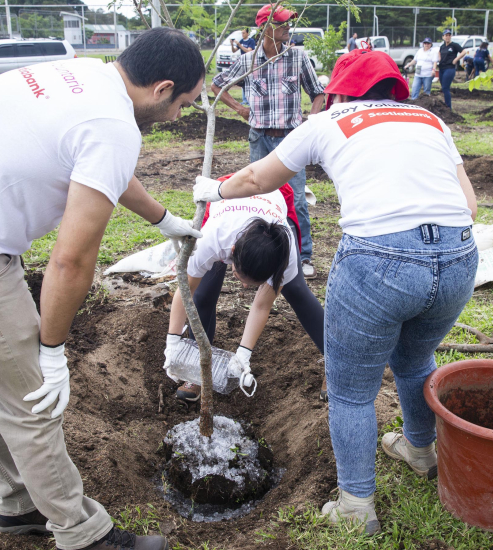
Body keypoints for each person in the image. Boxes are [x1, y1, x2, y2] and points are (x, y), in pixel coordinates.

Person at [0, 27, 205, 550]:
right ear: (162, 87)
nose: (178, 117)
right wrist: (51, 352)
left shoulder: (79, 75)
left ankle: (17, 504)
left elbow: (104, 171)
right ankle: (83, 535)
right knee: (31, 398)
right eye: (183, 104)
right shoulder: (113, 124)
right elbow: (71, 259)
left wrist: (163, 219)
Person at [194, 49, 478, 535]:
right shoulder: (429, 119)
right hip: (458, 258)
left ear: (339, 92)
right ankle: (420, 449)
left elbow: (257, 176)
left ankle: (356, 507)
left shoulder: (329, 120)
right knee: (415, 360)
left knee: (350, 391)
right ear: (395, 91)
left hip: (377, 261)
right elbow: (469, 204)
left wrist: (212, 191)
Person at [164, 177, 326, 404]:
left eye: (254, 284)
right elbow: (186, 289)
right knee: (203, 294)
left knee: (296, 289)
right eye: (241, 277)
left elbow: (262, 305)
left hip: (273, 194)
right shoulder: (211, 239)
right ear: (230, 253)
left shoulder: (283, 250)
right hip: (228, 194)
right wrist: (172, 343)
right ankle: (198, 372)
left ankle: (336, 366)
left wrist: (244, 355)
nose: (245, 287)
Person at [211, 4, 326, 279]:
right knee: (260, 197)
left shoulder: (297, 57)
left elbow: (318, 93)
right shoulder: (248, 61)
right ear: (266, 28)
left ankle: (303, 255)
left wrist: (311, 120)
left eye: (288, 23)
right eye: (283, 23)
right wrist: (239, 109)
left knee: (296, 200)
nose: (288, 28)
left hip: (290, 139)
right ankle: (268, 253)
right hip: (260, 139)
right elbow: (217, 84)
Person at [436, 29, 464, 109]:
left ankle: (448, 107)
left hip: (449, 68)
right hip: (442, 68)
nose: (448, 37)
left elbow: (463, 52)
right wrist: (439, 59)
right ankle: (446, 104)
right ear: (443, 37)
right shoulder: (442, 46)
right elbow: (439, 53)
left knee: (445, 87)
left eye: (449, 35)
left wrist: (456, 59)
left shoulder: (454, 45)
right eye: (446, 35)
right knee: (443, 87)